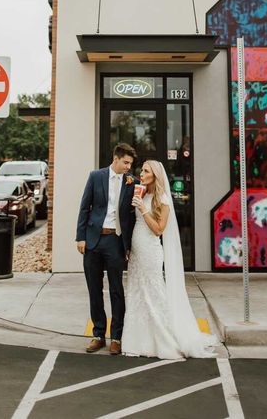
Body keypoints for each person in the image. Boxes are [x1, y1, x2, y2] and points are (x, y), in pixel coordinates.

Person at [122, 159, 217, 359]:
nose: (142, 173)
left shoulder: (162, 199)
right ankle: (138, 342)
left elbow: (158, 230)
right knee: (137, 293)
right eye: (142, 170)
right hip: (137, 251)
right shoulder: (142, 192)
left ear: (154, 176)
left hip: (151, 251)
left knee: (153, 294)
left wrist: (143, 210)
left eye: (146, 171)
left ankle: (165, 340)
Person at [76, 142, 137, 355]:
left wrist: (128, 245)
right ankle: (98, 334)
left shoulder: (132, 182)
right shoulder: (96, 176)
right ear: (116, 159)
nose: (129, 167)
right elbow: (84, 208)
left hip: (115, 241)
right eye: (126, 162)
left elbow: (132, 217)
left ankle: (117, 337)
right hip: (93, 240)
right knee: (94, 289)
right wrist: (80, 237)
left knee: (116, 290)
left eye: (131, 163)